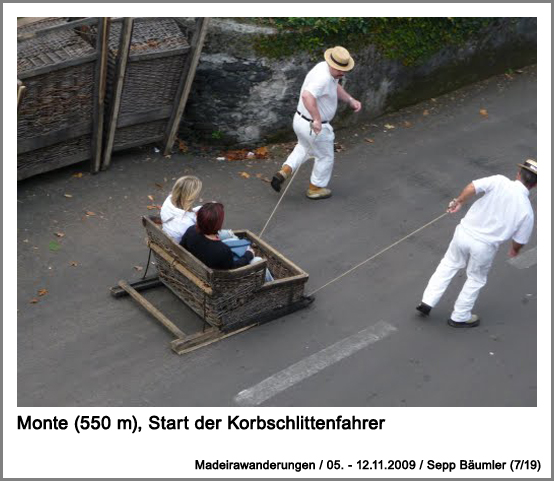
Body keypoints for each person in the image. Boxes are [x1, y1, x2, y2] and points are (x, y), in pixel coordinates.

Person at [416, 159, 537, 328]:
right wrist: (514, 250)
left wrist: (459, 201)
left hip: (464, 232)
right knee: (475, 279)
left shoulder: (499, 181)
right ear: (535, 185)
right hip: (485, 246)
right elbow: (519, 240)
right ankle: (460, 316)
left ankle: (427, 301)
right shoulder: (527, 211)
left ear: (518, 174)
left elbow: (473, 187)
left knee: (448, 264)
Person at [270, 46, 362, 200]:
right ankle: (315, 188)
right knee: (325, 157)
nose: (342, 73)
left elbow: (335, 86)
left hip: (300, 121)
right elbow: (307, 96)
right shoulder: (324, 78)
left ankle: (284, 171)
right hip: (315, 126)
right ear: (331, 63)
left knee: (303, 147)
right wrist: (317, 119)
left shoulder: (323, 68)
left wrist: (350, 99)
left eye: (344, 69)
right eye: (339, 69)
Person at [180, 202, 256, 270]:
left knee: (230, 236)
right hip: (216, 277)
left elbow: (182, 247)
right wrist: (249, 255)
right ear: (218, 224)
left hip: (197, 267)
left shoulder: (191, 230)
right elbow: (232, 267)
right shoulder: (223, 250)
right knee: (257, 260)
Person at [160, 176, 202, 242]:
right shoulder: (188, 224)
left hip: (167, 238)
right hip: (180, 248)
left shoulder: (168, 201)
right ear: (190, 197)